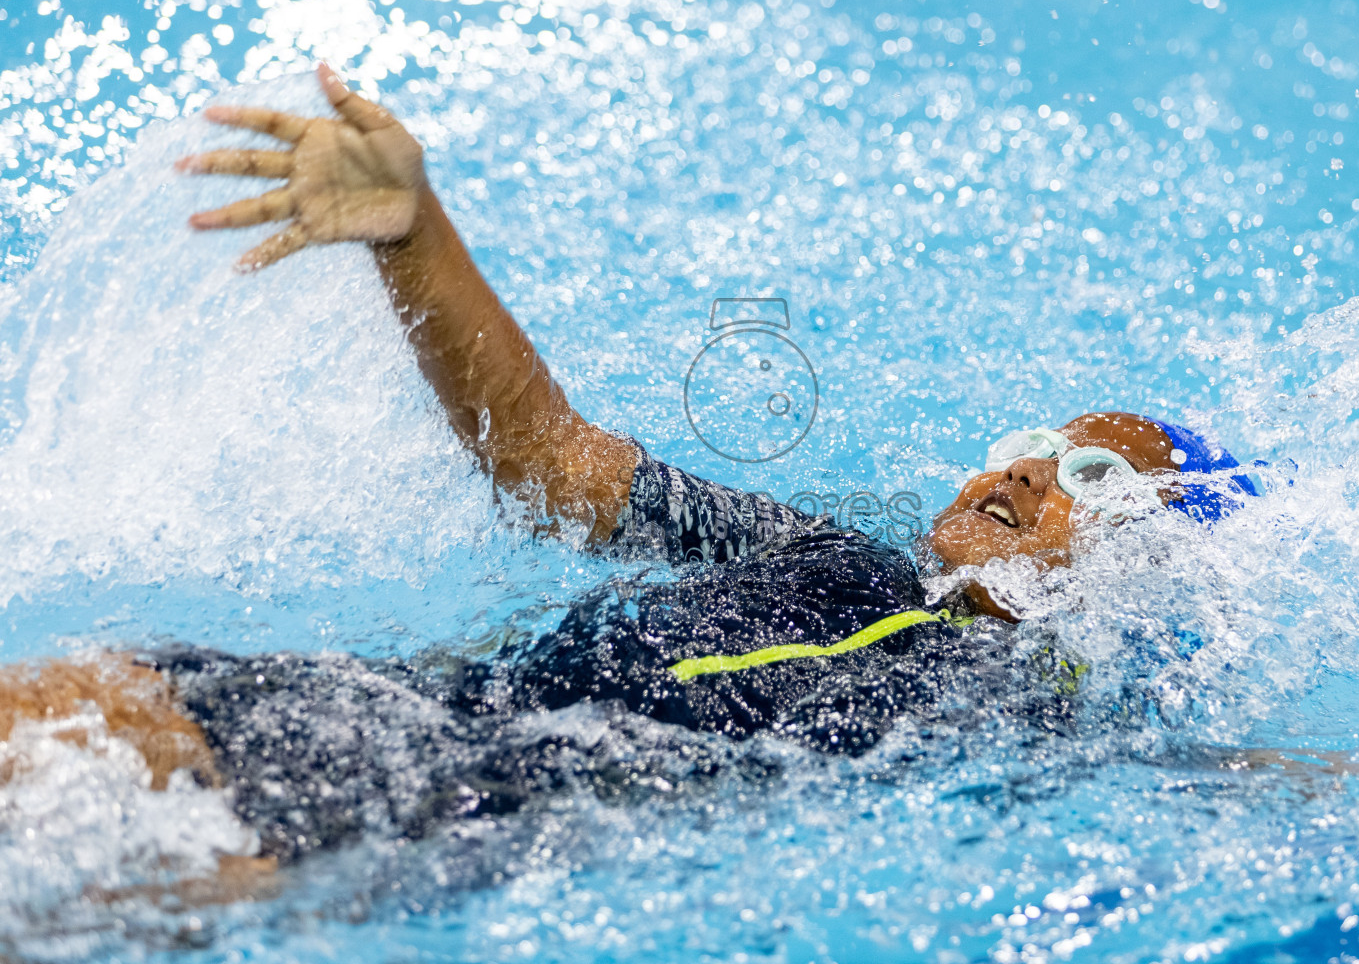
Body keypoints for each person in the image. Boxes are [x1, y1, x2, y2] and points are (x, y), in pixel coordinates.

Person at [0, 67, 1260, 870]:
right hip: (394, 712)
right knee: (55, 714)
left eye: (1094, 475)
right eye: (1029, 447)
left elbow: (1257, 801)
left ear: (1151, 557)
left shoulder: (1043, 727)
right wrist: (411, 231)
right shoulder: (817, 549)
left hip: (450, 815)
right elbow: (548, 458)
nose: (1032, 476)